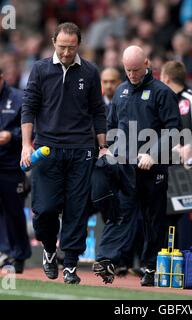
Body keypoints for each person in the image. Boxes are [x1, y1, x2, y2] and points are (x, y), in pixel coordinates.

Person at [20, 22, 107, 284]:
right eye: (62, 47)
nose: (67, 52)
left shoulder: (90, 71)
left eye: (71, 47)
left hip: (82, 149)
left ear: (79, 44)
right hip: (47, 148)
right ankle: (48, 249)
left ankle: (70, 264)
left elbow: (98, 111)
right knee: (44, 209)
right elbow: (29, 107)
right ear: (53, 42)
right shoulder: (40, 69)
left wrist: (102, 146)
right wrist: (26, 144)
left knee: (76, 210)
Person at [92, 45, 181, 286]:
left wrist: (153, 153)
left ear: (147, 64)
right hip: (124, 168)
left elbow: (174, 130)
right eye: (127, 70)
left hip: (153, 169)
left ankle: (150, 266)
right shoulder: (120, 91)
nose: (131, 74)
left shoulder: (162, 92)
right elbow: (112, 126)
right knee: (120, 214)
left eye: (135, 69)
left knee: (153, 219)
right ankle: (108, 260)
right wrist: (107, 149)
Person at [0, 68, 31, 273]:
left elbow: (31, 127)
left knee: (13, 210)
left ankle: (20, 253)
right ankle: (5, 252)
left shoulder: (18, 98)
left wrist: (12, 135)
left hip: (12, 165)